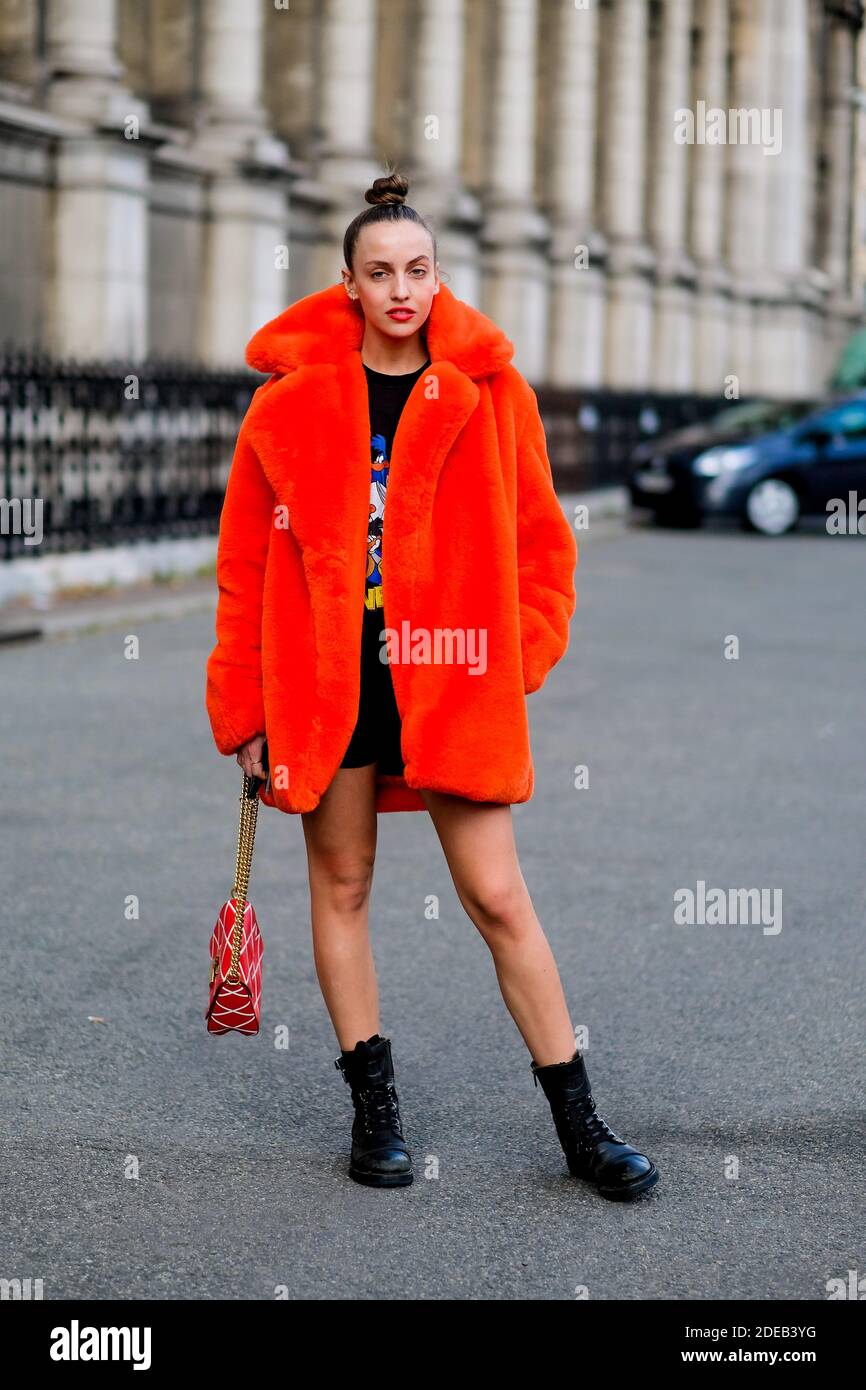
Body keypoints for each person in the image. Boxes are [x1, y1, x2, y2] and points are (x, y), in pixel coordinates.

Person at [206, 170, 659, 1201]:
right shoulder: (288, 404)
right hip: (327, 684)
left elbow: (543, 545)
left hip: (453, 675)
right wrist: (244, 708)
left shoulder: (489, 393)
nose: (401, 290)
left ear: (436, 275)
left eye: (416, 269)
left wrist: (520, 653)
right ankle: (375, 1115)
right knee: (344, 886)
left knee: (497, 896)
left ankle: (581, 1126)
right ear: (349, 283)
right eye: (379, 273)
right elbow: (242, 566)